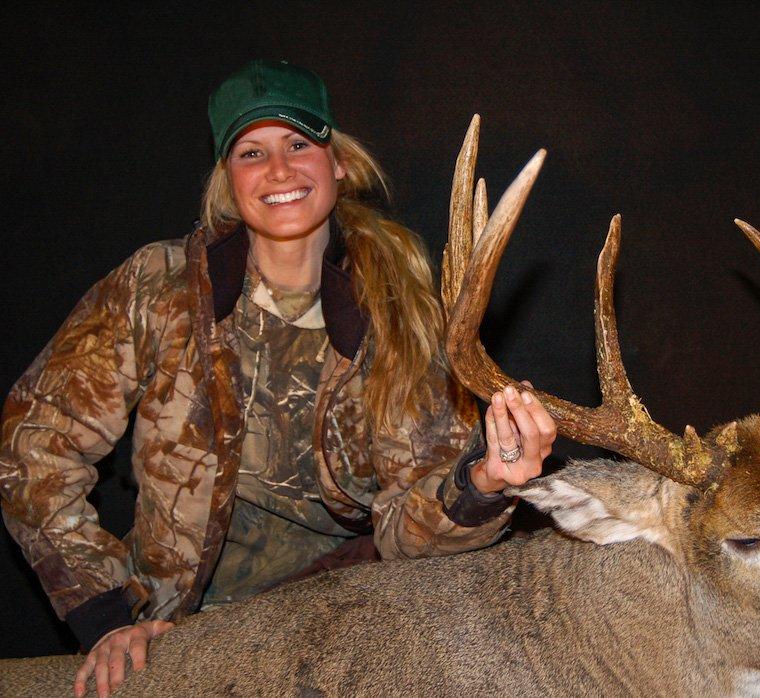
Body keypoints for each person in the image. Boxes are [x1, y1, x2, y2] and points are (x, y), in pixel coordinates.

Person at [0, 59, 556, 697]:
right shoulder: (159, 287)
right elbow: (33, 445)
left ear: (337, 163)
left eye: (299, 144)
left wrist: (481, 480)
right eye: (250, 152)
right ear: (226, 181)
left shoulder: (399, 313)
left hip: (337, 623)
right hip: (176, 632)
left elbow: (409, 534)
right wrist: (104, 615)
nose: (280, 170)